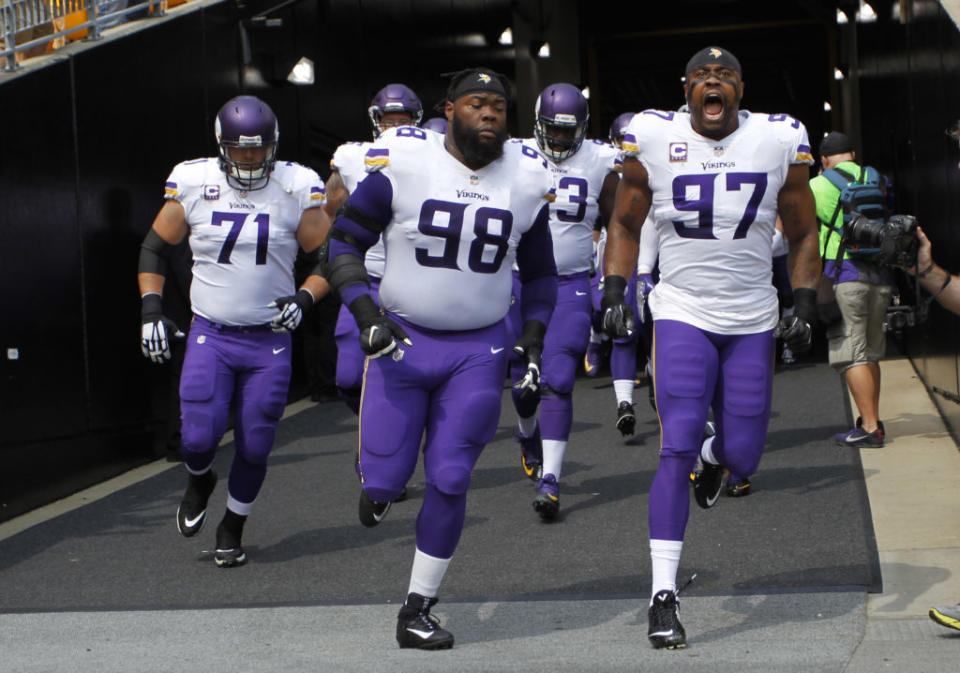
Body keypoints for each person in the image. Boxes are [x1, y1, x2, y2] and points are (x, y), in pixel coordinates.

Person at [321, 68, 557, 649]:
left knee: (451, 478)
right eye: (477, 103)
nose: (489, 114)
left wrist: (531, 337)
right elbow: (344, 241)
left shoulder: (526, 179)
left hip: (477, 348)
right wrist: (365, 315)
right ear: (448, 111)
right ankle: (377, 489)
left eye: (499, 106)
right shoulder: (404, 162)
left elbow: (544, 273)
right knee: (385, 478)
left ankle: (417, 607)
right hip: (401, 340)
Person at [601, 46, 821, 649]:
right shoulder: (652, 134)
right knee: (673, 447)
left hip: (751, 313)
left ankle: (715, 453)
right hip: (681, 309)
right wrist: (616, 286)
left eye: (724, 76)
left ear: (741, 89)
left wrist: (804, 301)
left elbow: (802, 229)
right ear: (687, 88)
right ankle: (663, 597)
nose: (713, 83)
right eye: (702, 76)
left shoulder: (778, 139)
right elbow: (624, 221)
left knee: (745, 455)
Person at [138, 95, 329, 567]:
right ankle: (200, 479)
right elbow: (153, 249)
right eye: (239, 149)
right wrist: (150, 310)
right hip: (212, 334)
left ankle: (233, 525)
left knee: (258, 439)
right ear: (222, 146)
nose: (248, 158)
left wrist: (305, 298)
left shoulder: (295, 185)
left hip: (269, 339)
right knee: (197, 439)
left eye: (257, 149)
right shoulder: (193, 180)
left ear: (273, 146)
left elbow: (330, 255)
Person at [506, 83, 619, 518]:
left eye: (567, 132)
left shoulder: (600, 160)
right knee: (521, 383)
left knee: (557, 379)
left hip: (570, 284)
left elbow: (618, 223)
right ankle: (526, 432)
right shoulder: (510, 154)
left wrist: (612, 281)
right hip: (515, 283)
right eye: (552, 130)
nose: (558, 140)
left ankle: (550, 480)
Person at [325, 84, 424, 414]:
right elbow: (331, 209)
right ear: (375, 121)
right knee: (349, 378)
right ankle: (371, 427)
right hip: (367, 281)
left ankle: (398, 432)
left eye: (403, 121)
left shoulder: (435, 160)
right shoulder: (353, 157)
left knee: (418, 372)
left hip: (416, 284)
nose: (394, 128)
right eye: (388, 120)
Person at [811, 131, 894, 448]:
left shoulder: (817, 185)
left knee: (851, 354)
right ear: (853, 153)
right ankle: (871, 419)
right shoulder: (877, 179)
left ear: (824, 159)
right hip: (880, 276)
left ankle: (870, 428)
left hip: (845, 274)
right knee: (870, 352)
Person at [585, 112, 633, 379]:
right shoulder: (604, 164)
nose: (626, 146)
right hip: (611, 237)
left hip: (651, 238)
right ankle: (595, 335)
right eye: (621, 139)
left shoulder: (655, 161)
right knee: (599, 300)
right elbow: (594, 213)